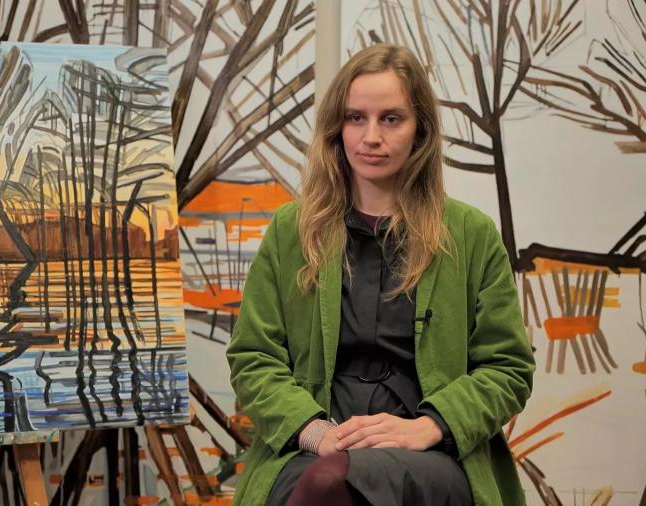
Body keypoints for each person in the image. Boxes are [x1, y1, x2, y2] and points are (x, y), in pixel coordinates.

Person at [226, 43, 535, 506]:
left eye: (391, 118)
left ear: (420, 130)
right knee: (319, 481)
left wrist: (430, 426)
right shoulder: (291, 231)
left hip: (431, 453)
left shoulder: (471, 235)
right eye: (356, 118)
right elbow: (253, 358)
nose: (371, 136)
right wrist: (314, 432)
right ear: (337, 127)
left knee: (329, 485)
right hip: (313, 446)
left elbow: (507, 368)